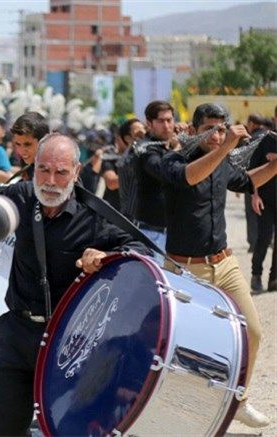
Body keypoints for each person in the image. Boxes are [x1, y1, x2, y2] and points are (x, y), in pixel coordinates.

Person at [0, 133, 150, 436]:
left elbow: (140, 251)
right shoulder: (22, 197)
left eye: (61, 172)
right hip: (18, 333)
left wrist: (106, 256)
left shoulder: (95, 217)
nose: (50, 180)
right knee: (2, 422)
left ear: (76, 173)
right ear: (33, 168)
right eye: (44, 170)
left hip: (71, 341)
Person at [159, 103, 277, 428]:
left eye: (222, 129)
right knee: (187, 347)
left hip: (224, 263)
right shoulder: (174, 160)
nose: (218, 135)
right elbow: (191, 176)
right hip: (186, 271)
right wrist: (226, 147)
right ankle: (185, 414)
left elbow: (246, 180)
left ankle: (238, 401)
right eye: (211, 128)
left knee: (251, 331)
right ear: (196, 130)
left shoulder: (223, 160)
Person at [134, 101, 182, 250]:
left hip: (176, 232)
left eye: (169, 120)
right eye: (161, 121)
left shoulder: (170, 144)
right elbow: (162, 170)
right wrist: (178, 149)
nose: (167, 126)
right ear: (149, 123)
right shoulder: (145, 147)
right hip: (152, 233)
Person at [248, 120, 276, 292]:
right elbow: (252, 170)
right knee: (264, 238)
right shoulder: (266, 140)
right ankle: (256, 274)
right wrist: (255, 195)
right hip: (265, 199)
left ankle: (274, 279)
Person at [99, 119, 146, 211]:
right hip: (115, 214)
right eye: (138, 135)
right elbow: (111, 182)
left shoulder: (148, 156)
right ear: (126, 138)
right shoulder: (111, 158)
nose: (142, 137)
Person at [6, 111, 49, 183]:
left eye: (28, 144)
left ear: (43, 142)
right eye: (18, 144)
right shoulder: (29, 165)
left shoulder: (52, 169)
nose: (21, 151)